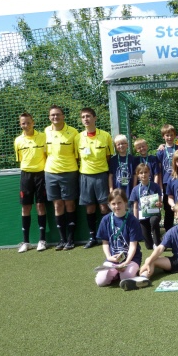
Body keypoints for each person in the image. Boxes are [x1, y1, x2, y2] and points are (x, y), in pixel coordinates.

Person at [94, 189, 151, 290]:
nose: (117, 206)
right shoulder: (106, 220)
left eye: (119, 202)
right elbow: (105, 243)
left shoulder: (132, 220)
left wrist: (126, 262)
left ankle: (127, 272)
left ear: (125, 202)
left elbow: (133, 246)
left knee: (126, 277)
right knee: (100, 282)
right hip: (113, 260)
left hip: (131, 259)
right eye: (113, 204)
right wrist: (109, 257)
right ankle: (115, 273)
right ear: (109, 205)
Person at [75, 107, 114, 249]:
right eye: (83, 117)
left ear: (95, 118)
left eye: (88, 116)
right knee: (90, 208)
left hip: (101, 175)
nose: (86, 119)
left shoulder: (105, 136)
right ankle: (92, 237)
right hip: (85, 176)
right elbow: (77, 158)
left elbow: (109, 157)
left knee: (104, 207)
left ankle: (107, 236)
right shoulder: (78, 137)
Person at [44, 104, 79, 251]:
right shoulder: (46, 132)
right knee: (57, 205)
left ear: (63, 116)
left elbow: (77, 154)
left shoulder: (73, 132)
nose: (55, 117)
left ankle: (71, 240)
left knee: (69, 204)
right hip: (50, 173)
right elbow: (45, 153)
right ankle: (62, 239)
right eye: (52, 115)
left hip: (69, 172)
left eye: (58, 114)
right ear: (49, 117)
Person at [14, 112, 48, 252]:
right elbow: (20, 159)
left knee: (40, 205)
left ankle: (42, 240)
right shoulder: (18, 141)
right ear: (20, 124)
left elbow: (47, 155)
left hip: (41, 175)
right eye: (23, 123)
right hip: (26, 176)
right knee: (26, 207)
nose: (26, 125)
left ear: (33, 122)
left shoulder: (43, 137)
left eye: (28, 122)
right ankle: (26, 242)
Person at [129, 163, 163, 250]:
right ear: (137, 174)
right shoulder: (135, 189)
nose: (143, 174)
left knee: (153, 220)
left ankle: (158, 243)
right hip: (142, 216)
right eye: (141, 173)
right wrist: (136, 219)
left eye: (145, 172)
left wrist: (159, 204)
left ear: (149, 173)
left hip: (154, 213)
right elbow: (135, 206)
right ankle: (152, 242)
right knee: (148, 246)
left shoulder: (155, 186)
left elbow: (160, 203)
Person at [108, 134, 135, 199]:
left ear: (127, 145)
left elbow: (135, 175)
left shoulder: (132, 159)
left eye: (123, 143)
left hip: (129, 189)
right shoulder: (113, 160)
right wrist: (111, 189)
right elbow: (110, 176)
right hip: (117, 189)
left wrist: (134, 188)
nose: (121, 146)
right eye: (118, 144)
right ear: (115, 147)